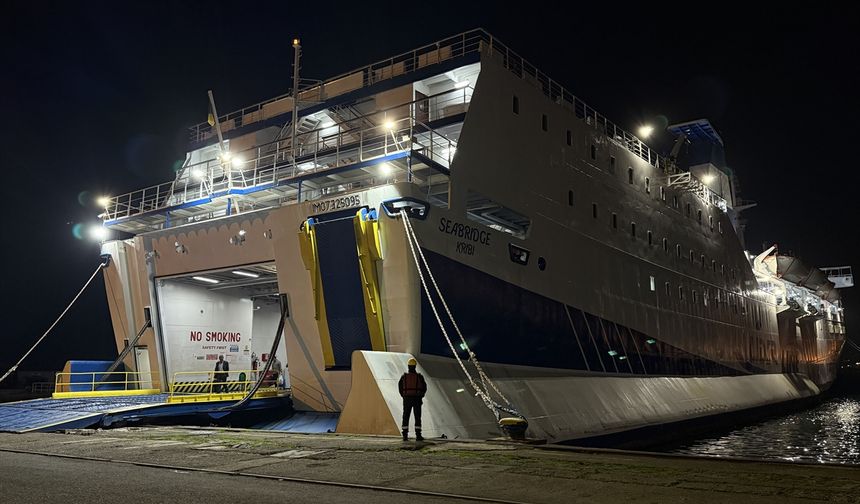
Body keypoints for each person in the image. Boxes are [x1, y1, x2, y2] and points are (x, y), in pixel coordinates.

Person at [398, 357, 427, 441]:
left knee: (406, 416)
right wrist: (420, 396)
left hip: (407, 399)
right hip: (417, 399)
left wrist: (404, 396)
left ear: (408, 366)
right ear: (415, 366)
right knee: (417, 417)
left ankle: (405, 435)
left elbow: (400, 388)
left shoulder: (404, 377)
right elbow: (424, 388)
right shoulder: (420, 377)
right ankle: (418, 435)